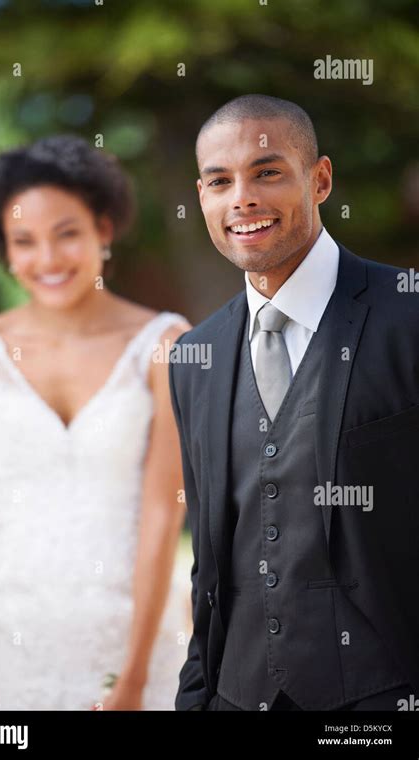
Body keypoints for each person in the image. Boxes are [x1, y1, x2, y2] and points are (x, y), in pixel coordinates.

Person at [169, 95, 419, 711]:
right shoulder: (193, 357)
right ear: (201, 196)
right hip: (237, 693)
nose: (242, 199)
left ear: (321, 179)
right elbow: (209, 557)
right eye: (219, 182)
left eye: (267, 172)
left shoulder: (409, 316)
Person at [0, 135, 192, 710]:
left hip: (140, 646)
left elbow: (164, 514)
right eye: (24, 242)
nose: (48, 260)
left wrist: (131, 682)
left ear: (103, 230)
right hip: (5, 648)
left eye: (67, 234)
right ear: (5, 250)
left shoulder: (165, 345)